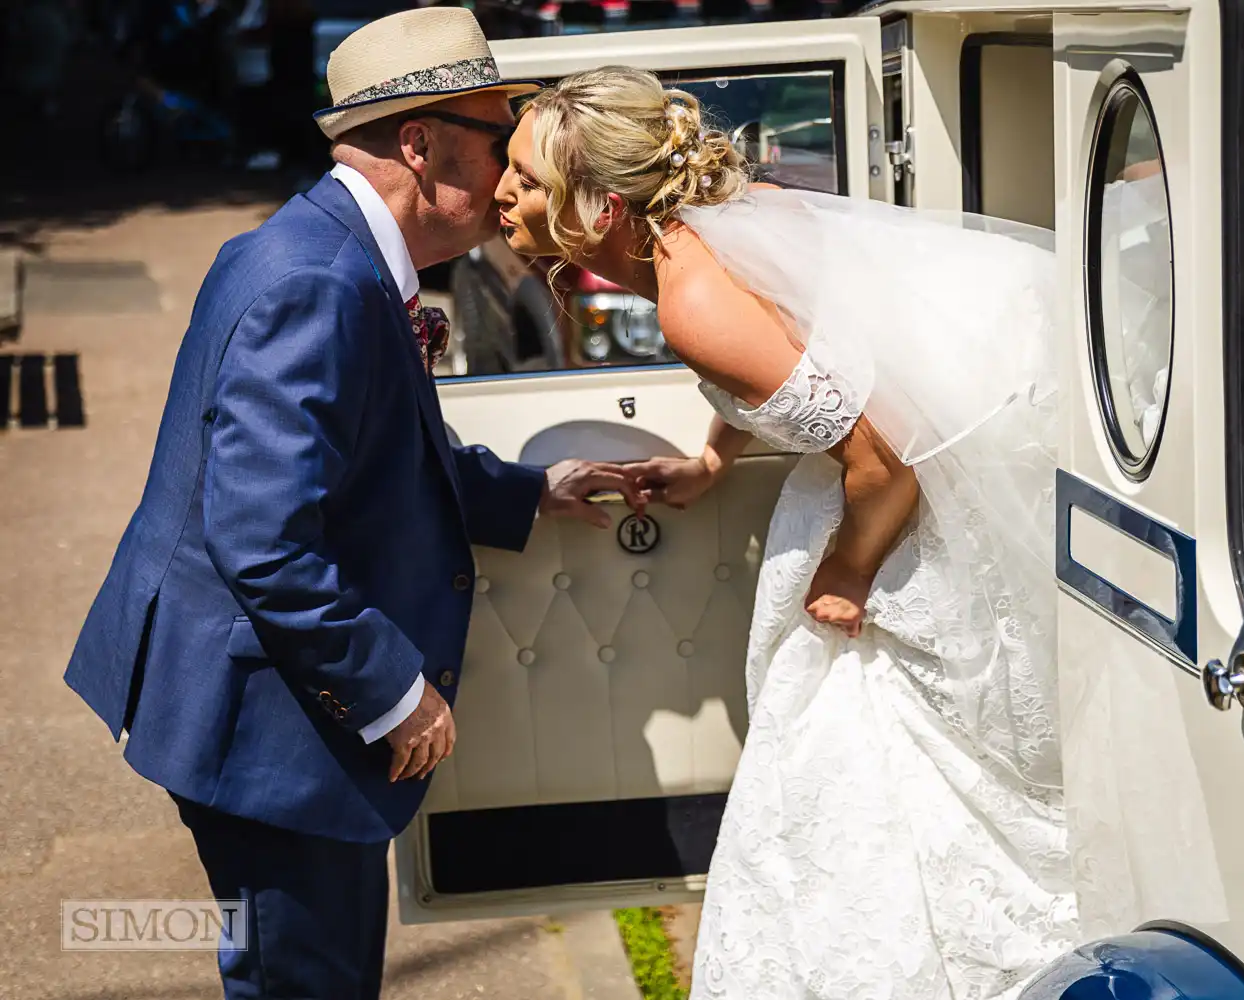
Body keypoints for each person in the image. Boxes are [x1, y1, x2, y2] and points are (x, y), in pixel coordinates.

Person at [64, 10, 639, 998]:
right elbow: (263, 536)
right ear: (419, 144)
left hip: (258, 700)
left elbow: (376, 457)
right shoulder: (323, 282)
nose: (510, 173)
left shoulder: (332, 251)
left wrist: (529, 490)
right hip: (263, 726)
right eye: (496, 137)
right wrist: (388, 689)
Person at [495, 66, 1077, 999]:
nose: (501, 193)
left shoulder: (691, 304)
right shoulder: (727, 221)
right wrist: (717, 460)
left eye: (525, 179)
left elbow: (886, 461)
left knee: (855, 766)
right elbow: (806, 356)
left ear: (600, 208)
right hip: (915, 471)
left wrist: (843, 576)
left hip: (904, 509)